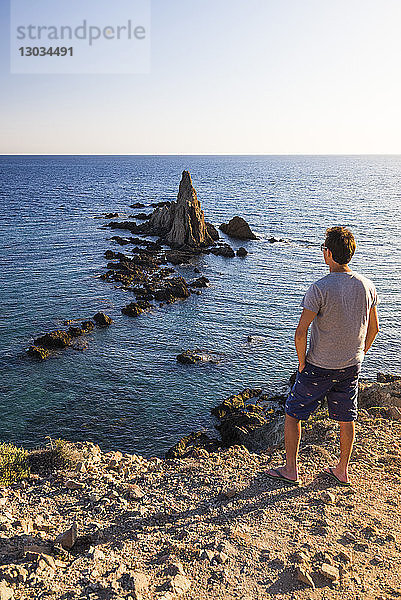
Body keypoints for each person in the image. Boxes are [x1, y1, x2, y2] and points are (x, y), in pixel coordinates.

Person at [267, 226, 379, 487]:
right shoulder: (367, 286)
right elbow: (374, 329)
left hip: (319, 366)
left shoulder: (319, 288)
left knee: (293, 413)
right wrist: (360, 353)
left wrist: (302, 362)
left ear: (327, 253)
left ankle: (291, 469)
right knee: (346, 417)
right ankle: (341, 470)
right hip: (351, 365)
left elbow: (300, 332)